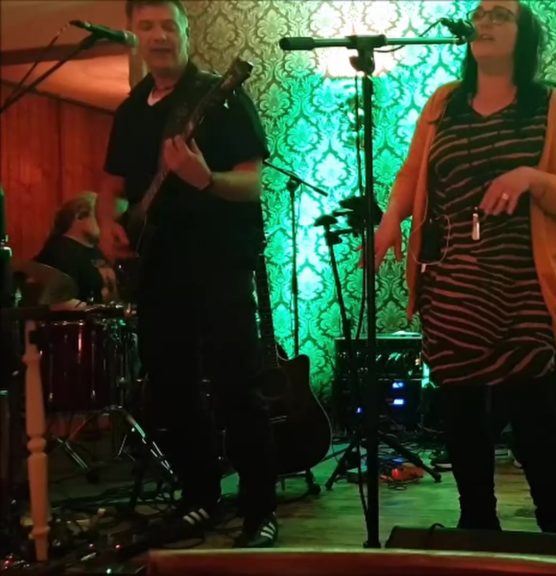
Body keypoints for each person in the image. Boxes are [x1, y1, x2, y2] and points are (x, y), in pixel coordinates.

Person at [373, 0, 556, 533]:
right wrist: (390, 221)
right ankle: (477, 527)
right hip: (450, 281)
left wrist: (530, 177)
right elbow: (412, 172)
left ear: (524, 35)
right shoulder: (443, 102)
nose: (484, 21)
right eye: (480, 13)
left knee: (535, 415)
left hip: (521, 282)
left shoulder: (550, 104)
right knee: (463, 417)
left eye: (500, 14)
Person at [102, 0, 277, 548]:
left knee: (236, 386)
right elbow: (112, 188)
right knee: (171, 388)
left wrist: (205, 178)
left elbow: (252, 183)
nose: (158, 35)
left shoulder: (219, 96)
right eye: (146, 26)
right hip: (158, 269)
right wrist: (110, 224)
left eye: (168, 25)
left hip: (218, 262)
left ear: (184, 33)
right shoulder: (130, 110)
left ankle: (259, 510)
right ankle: (201, 497)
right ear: (134, 37)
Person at [33, 192, 118, 305]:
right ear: (79, 216)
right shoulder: (60, 250)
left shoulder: (96, 251)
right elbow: (62, 302)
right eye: (98, 216)